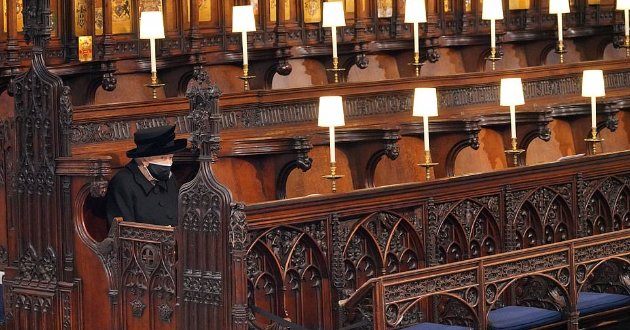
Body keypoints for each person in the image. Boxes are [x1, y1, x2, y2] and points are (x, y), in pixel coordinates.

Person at [105, 124, 186, 226]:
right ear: (144, 159)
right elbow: (123, 233)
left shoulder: (170, 177)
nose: (168, 163)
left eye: (170, 157)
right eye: (162, 158)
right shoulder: (122, 183)